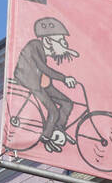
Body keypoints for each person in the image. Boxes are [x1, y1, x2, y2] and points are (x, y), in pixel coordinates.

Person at [12, 17, 79, 152]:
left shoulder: (43, 49)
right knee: (53, 110)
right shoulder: (34, 45)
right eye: (61, 41)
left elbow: (47, 66)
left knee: (67, 103)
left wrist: (66, 50)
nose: (64, 44)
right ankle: (46, 138)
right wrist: (64, 78)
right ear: (48, 41)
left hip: (42, 80)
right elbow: (43, 67)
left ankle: (58, 129)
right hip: (30, 80)